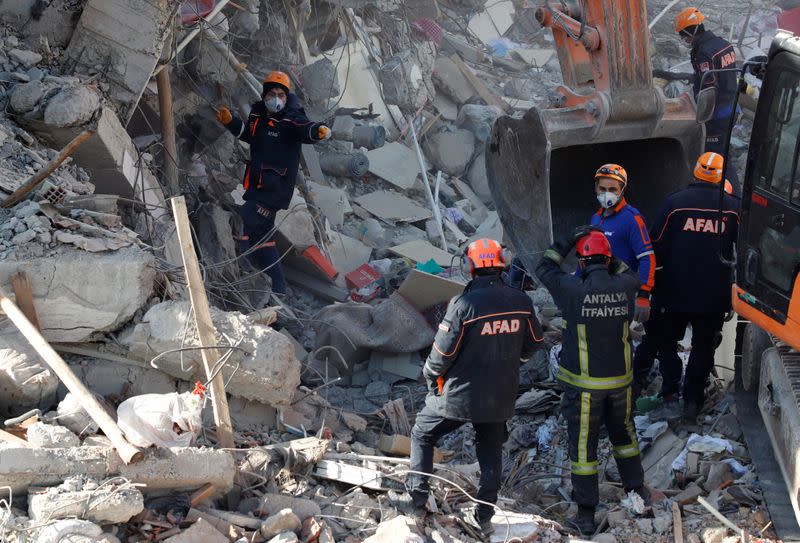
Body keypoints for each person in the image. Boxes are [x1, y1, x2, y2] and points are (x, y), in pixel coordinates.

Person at [406, 238, 544, 536]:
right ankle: (484, 515)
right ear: (501, 264)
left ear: (470, 266)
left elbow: (441, 355)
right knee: (490, 449)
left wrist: (430, 377)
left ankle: (417, 502)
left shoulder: (464, 304)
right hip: (501, 395)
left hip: (459, 396)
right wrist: (510, 359)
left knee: (422, 433)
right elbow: (534, 344)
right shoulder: (521, 301)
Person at [536, 228, 649, 535]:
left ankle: (586, 514)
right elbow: (626, 270)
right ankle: (637, 491)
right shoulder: (627, 285)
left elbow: (544, 266)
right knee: (624, 437)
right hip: (620, 383)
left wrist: (569, 238)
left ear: (582, 263)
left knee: (583, 449)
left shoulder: (571, 289)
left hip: (585, 387)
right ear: (609, 259)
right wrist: (607, 257)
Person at [216, 70, 331, 294]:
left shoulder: (292, 117)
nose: (275, 98)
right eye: (271, 93)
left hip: (274, 190)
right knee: (262, 238)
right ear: (265, 94)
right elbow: (249, 135)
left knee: (242, 222)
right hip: (257, 183)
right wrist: (231, 122)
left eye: (280, 94)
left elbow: (305, 129)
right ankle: (279, 288)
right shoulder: (259, 112)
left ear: (286, 97)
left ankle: (239, 276)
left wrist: (317, 131)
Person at [647, 152, 739, 422]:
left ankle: (670, 391)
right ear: (721, 177)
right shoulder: (733, 208)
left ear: (696, 172)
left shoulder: (674, 204)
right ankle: (692, 403)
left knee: (666, 342)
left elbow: (655, 247)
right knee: (703, 348)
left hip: (673, 293)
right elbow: (742, 252)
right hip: (713, 296)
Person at [675, 7, 740, 189]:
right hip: (732, 107)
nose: (683, 39)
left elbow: (709, 87)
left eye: (683, 34)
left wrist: (702, 116)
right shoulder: (724, 43)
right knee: (724, 153)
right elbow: (722, 75)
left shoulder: (703, 52)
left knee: (715, 158)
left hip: (717, 114)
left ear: (691, 30)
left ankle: (730, 197)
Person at [589, 163, 655, 324]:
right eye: (603, 189)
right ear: (596, 188)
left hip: (621, 296)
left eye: (612, 190)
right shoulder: (596, 218)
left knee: (616, 344)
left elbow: (648, 258)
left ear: (622, 190)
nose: (606, 194)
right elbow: (588, 256)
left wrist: (644, 294)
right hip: (595, 293)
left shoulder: (632, 219)